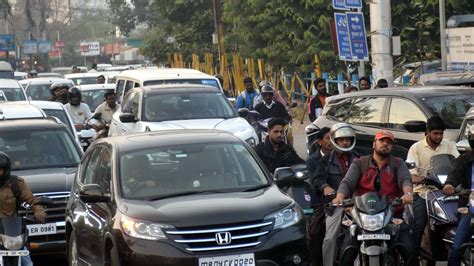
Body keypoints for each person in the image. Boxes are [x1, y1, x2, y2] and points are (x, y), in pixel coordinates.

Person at [333, 130, 417, 266]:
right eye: (382, 141)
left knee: (410, 250)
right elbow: (347, 182)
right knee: (346, 253)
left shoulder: (398, 163)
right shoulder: (360, 163)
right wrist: (340, 196)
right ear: (374, 144)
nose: (385, 144)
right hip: (362, 217)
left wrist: (407, 193)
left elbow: (405, 180)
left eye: (389, 142)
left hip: (392, 216)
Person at [407, 116, 459, 259]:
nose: (439, 137)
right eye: (435, 133)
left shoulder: (448, 145)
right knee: (419, 223)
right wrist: (419, 178)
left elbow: (458, 164)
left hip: (446, 190)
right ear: (427, 132)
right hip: (423, 193)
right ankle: (412, 259)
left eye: (441, 133)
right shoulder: (416, 148)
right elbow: (411, 174)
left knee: (460, 216)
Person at [312, 123, 359, 266]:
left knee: (366, 234)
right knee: (330, 237)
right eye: (341, 139)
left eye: (348, 139)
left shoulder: (360, 159)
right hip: (335, 204)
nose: (345, 142)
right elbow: (317, 179)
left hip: (357, 203)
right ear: (334, 140)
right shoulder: (326, 159)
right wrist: (325, 187)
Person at [0, 152, 46, 266]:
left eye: (0, 169)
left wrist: (38, 211)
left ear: (6, 170)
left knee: (27, 262)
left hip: (10, 232)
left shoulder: (16, 183)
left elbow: (32, 200)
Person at [443, 125, 474, 266]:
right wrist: (449, 184)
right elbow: (455, 173)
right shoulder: (464, 159)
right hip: (470, 209)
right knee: (457, 246)